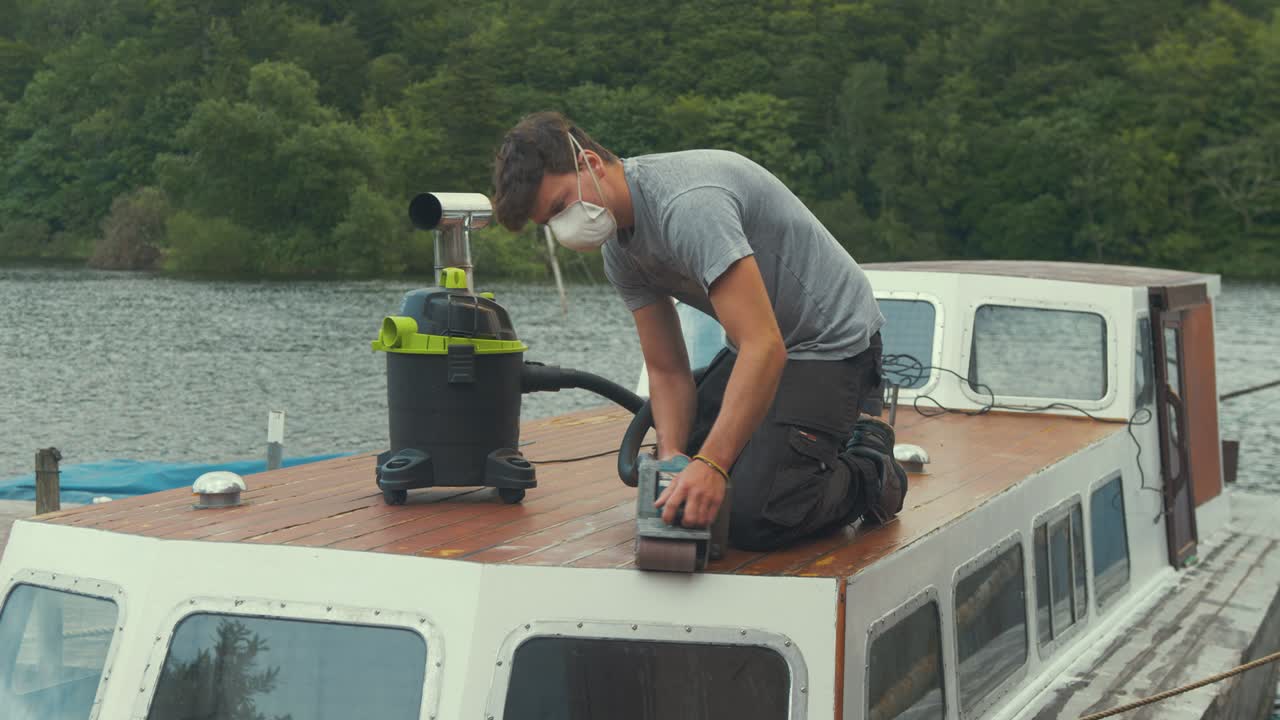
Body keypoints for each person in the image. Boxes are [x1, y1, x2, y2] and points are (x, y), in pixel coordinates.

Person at [491, 111, 907, 551]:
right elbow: (668, 368)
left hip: (830, 345)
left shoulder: (688, 206)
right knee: (679, 479)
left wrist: (712, 464)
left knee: (753, 515)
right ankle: (799, 449)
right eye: (549, 223)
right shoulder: (620, 251)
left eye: (560, 207)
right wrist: (673, 455)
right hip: (759, 343)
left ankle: (871, 465)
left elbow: (764, 346)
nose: (563, 227)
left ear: (590, 164)